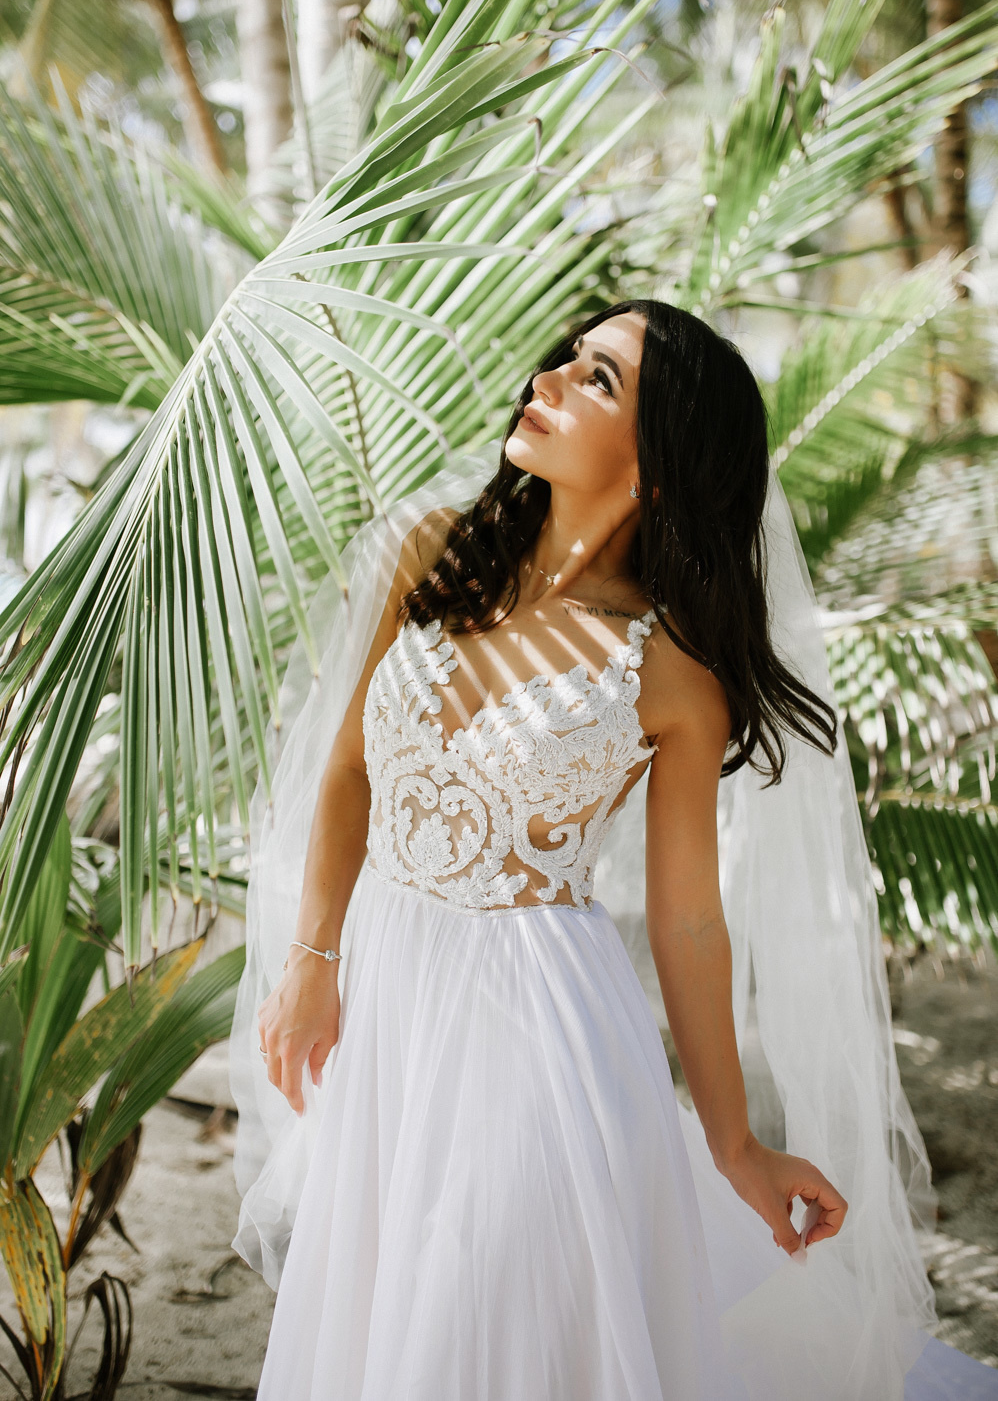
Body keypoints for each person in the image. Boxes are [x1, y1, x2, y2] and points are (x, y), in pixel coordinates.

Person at [228, 301, 982, 1398]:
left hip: (536, 1029)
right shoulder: (430, 553)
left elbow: (686, 920)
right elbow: (350, 771)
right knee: (386, 1317)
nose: (548, 380)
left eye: (597, 381)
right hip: (391, 1015)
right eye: (568, 361)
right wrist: (312, 959)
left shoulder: (670, 671)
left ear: (657, 466)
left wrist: (735, 1148)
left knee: (482, 1318)